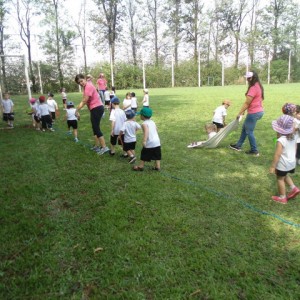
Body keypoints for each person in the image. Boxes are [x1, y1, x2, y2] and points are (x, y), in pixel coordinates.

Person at [229, 71, 264, 156]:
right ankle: (238, 146)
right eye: (247, 78)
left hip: (254, 113)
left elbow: (247, 103)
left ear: (253, 78)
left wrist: (240, 113)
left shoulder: (253, 88)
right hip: (258, 111)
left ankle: (255, 151)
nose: (247, 80)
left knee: (249, 131)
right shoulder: (258, 85)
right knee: (245, 128)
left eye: (249, 78)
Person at [75, 74, 110, 155]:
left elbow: (84, 100)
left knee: (96, 128)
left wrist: (76, 110)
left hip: (97, 108)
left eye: (81, 81)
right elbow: (87, 101)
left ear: (84, 79)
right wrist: (90, 110)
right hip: (94, 108)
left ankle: (104, 147)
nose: (81, 83)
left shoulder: (88, 86)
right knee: (94, 128)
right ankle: (97, 146)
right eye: (79, 83)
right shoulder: (86, 87)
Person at [269, 114, 300, 204]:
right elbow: (294, 148)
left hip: (283, 163)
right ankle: (293, 188)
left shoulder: (281, 140)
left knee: (280, 178)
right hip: (291, 162)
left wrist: (273, 166)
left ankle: (282, 197)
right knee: (285, 175)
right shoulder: (294, 137)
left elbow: (277, 155)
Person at [133, 107, 161, 171]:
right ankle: (158, 167)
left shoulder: (144, 123)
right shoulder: (152, 122)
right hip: (157, 141)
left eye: (140, 115)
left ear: (142, 116)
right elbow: (156, 129)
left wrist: (144, 141)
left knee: (144, 153)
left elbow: (146, 132)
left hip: (150, 142)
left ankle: (141, 166)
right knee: (157, 154)